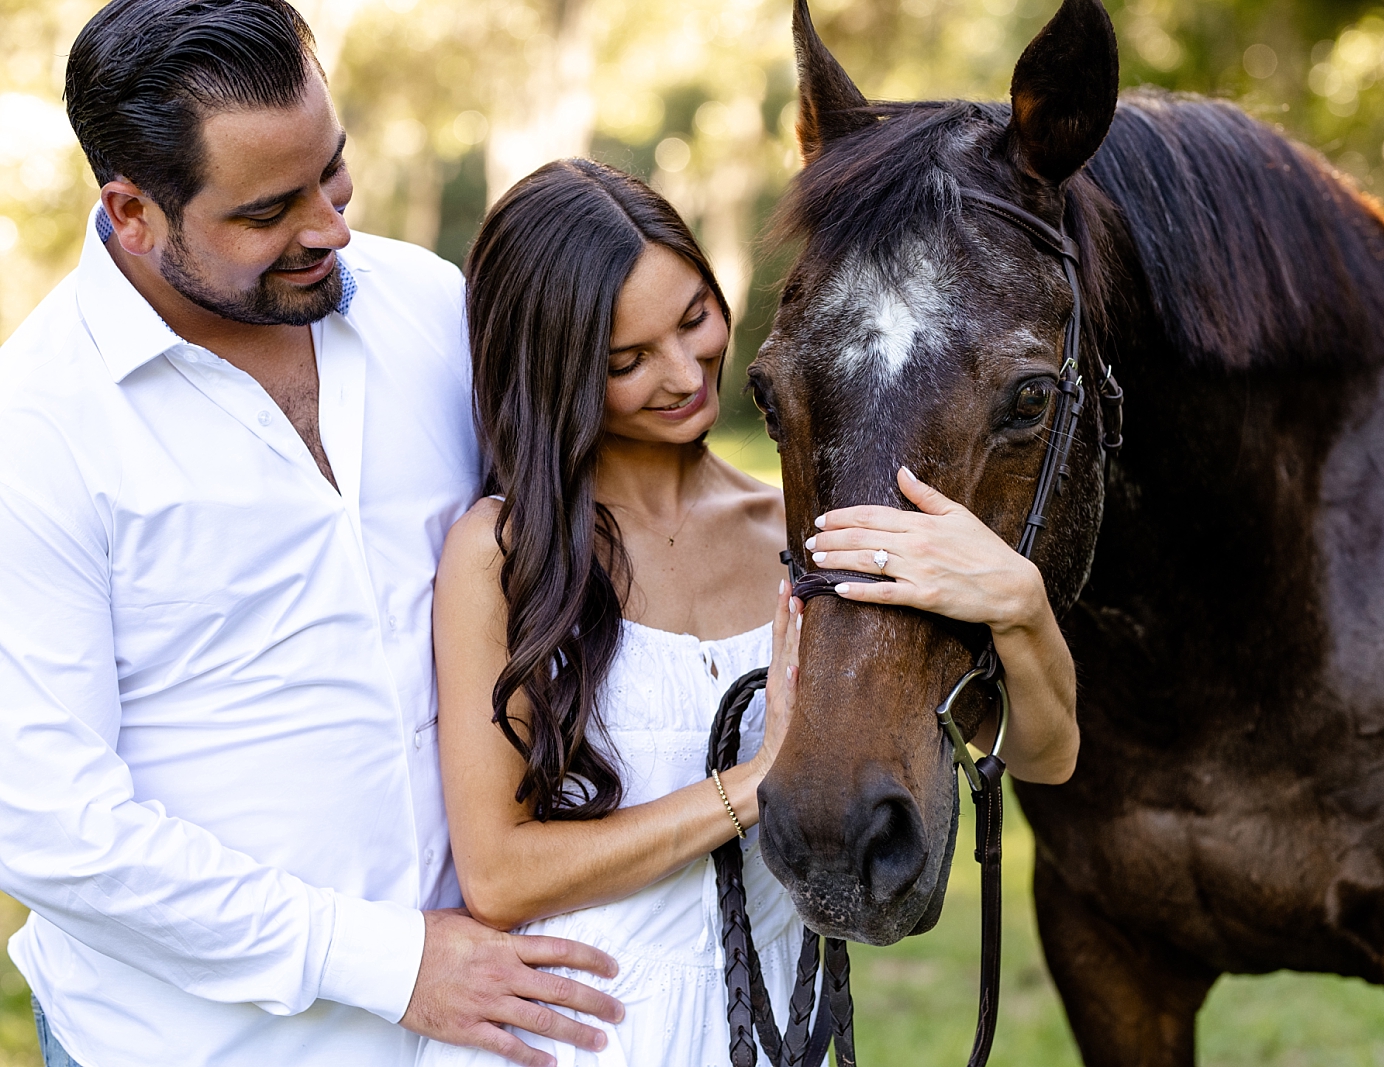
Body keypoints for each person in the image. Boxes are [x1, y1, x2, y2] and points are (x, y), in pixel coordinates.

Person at [0, 3, 620, 1066]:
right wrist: (388, 962)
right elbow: (50, 824)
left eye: (332, 172)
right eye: (269, 209)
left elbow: (588, 560)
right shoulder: (37, 427)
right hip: (189, 1046)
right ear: (133, 210)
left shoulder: (429, 305)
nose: (329, 227)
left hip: (486, 1027)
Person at [415, 159, 1081, 1067]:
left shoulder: (805, 529)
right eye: (628, 360)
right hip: (578, 1034)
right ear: (557, 368)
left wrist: (1021, 605)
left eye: (696, 319)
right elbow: (496, 873)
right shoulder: (504, 552)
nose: (687, 373)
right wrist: (751, 781)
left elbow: (1041, 753)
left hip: (767, 1028)